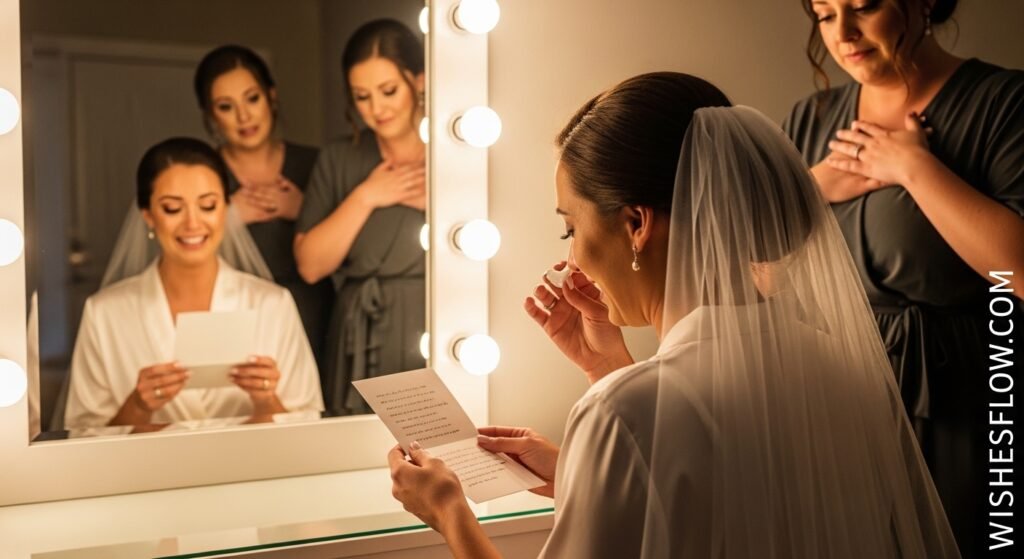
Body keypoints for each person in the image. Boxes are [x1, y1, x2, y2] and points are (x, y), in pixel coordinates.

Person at [387, 73, 960, 558]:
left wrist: (450, 512)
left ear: (636, 224)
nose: (570, 258)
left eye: (571, 228)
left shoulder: (620, 413)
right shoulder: (842, 366)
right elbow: (747, 502)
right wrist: (601, 388)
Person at [783, 1, 1024, 553]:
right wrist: (810, 188)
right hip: (844, 402)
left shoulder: (1004, 104)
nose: (842, 32)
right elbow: (761, 281)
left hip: (980, 401)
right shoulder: (810, 121)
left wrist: (914, 170)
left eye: (863, 5)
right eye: (824, 13)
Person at [64, 138, 324, 429]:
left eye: (208, 206)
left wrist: (266, 402)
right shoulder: (105, 313)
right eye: (173, 209)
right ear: (148, 216)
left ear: (225, 209)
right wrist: (137, 407)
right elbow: (82, 436)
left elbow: (308, 425)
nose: (192, 224)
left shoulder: (272, 304)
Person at [294, 19, 427, 415]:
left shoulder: (457, 146)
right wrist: (367, 196)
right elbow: (310, 266)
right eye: (362, 96)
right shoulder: (340, 158)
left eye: (388, 91)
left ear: (418, 81)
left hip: (435, 320)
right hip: (358, 327)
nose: (377, 109)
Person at [193, 45, 333, 372]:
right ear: (210, 115)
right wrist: (227, 219)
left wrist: (306, 210)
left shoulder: (316, 165)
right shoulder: (201, 174)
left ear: (271, 96)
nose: (244, 117)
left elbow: (359, 252)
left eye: (252, 99)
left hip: (314, 320)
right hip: (233, 327)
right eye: (226, 107)